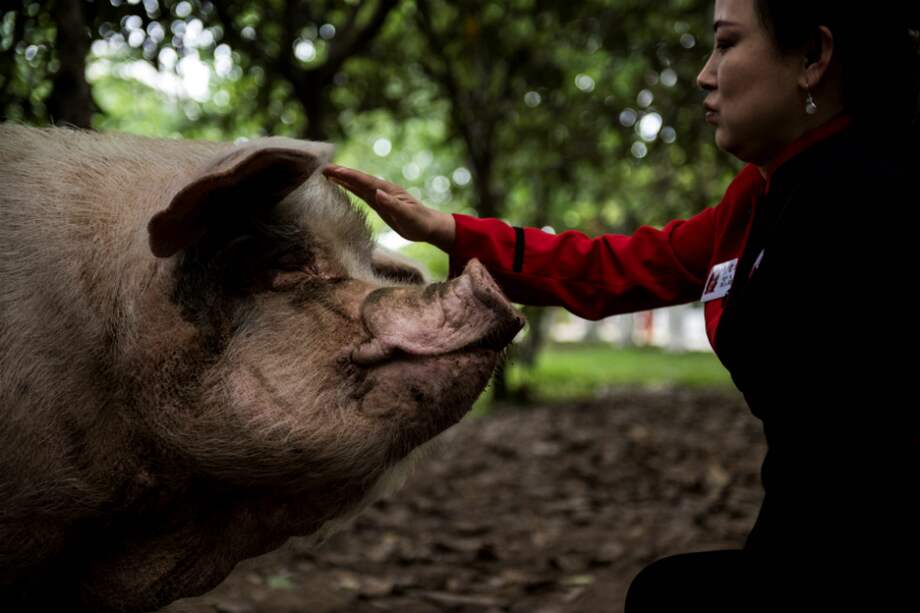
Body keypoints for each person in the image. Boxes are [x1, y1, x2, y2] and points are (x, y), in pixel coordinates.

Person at [323, 1, 919, 610]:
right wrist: (446, 229)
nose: (704, 74)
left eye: (726, 43)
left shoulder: (887, 200)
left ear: (813, 58)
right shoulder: (757, 198)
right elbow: (618, 267)